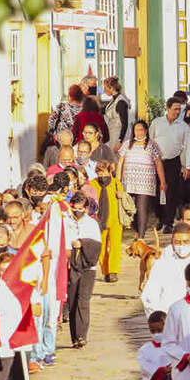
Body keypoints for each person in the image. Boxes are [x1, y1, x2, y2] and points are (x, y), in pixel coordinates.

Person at [118, 119, 166, 240]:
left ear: (146, 131)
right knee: (130, 208)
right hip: (128, 182)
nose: (138, 132)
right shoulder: (127, 144)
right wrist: (118, 180)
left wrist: (162, 181)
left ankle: (141, 236)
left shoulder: (152, 144)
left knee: (141, 209)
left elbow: (158, 163)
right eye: (136, 130)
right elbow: (120, 163)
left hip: (145, 183)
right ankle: (136, 231)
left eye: (141, 130)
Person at [149, 98, 190, 233]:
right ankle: (160, 217)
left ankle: (169, 222)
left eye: (179, 109)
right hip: (157, 161)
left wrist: (187, 166)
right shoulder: (157, 123)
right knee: (157, 191)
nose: (177, 112)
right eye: (175, 109)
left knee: (171, 192)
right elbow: (149, 142)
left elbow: (187, 147)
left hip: (173, 162)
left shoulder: (183, 126)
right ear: (167, 108)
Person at [67, 193, 102, 348]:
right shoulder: (65, 222)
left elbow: (97, 246)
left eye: (81, 208)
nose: (78, 210)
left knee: (83, 301)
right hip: (71, 266)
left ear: (86, 208)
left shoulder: (92, 224)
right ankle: (74, 336)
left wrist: (82, 243)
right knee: (72, 301)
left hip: (88, 267)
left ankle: (82, 335)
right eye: (75, 207)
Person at [89, 160, 123, 283]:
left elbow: (123, 198)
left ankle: (113, 271)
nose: (101, 176)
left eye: (104, 172)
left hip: (115, 220)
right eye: (99, 173)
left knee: (115, 246)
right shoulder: (93, 184)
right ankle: (106, 271)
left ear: (110, 171)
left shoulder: (116, 183)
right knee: (101, 246)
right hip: (100, 220)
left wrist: (121, 195)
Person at [102, 76, 131, 156]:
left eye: (105, 88)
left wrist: (119, 141)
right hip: (113, 134)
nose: (104, 90)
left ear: (111, 88)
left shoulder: (120, 102)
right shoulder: (113, 100)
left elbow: (125, 124)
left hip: (119, 136)